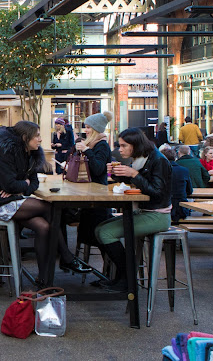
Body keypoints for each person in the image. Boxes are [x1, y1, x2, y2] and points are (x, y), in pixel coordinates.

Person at [0, 121, 91, 288]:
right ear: (25, 137)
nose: (40, 139)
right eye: (37, 135)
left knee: (44, 227)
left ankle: (44, 278)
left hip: (14, 201)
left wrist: (21, 187)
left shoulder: (31, 154)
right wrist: (20, 186)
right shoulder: (5, 153)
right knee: (50, 208)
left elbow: (33, 183)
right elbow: (10, 185)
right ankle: (66, 257)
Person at [98, 128, 172, 291]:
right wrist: (119, 174)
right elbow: (139, 183)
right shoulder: (142, 159)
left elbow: (157, 193)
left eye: (124, 146)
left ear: (135, 145)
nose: (120, 149)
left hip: (158, 215)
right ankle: (121, 277)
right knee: (99, 229)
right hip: (145, 211)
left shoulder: (158, 161)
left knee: (105, 233)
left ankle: (127, 279)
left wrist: (133, 174)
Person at [70, 111, 113, 246]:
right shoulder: (93, 144)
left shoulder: (102, 146)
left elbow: (98, 169)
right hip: (90, 195)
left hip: (98, 198)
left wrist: (87, 150)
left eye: (88, 127)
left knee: (94, 236)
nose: (86, 130)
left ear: (96, 129)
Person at [159, 147, 193, 224]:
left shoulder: (159, 171)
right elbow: (189, 191)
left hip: (163, 208)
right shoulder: (184, 170)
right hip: (181, 209)